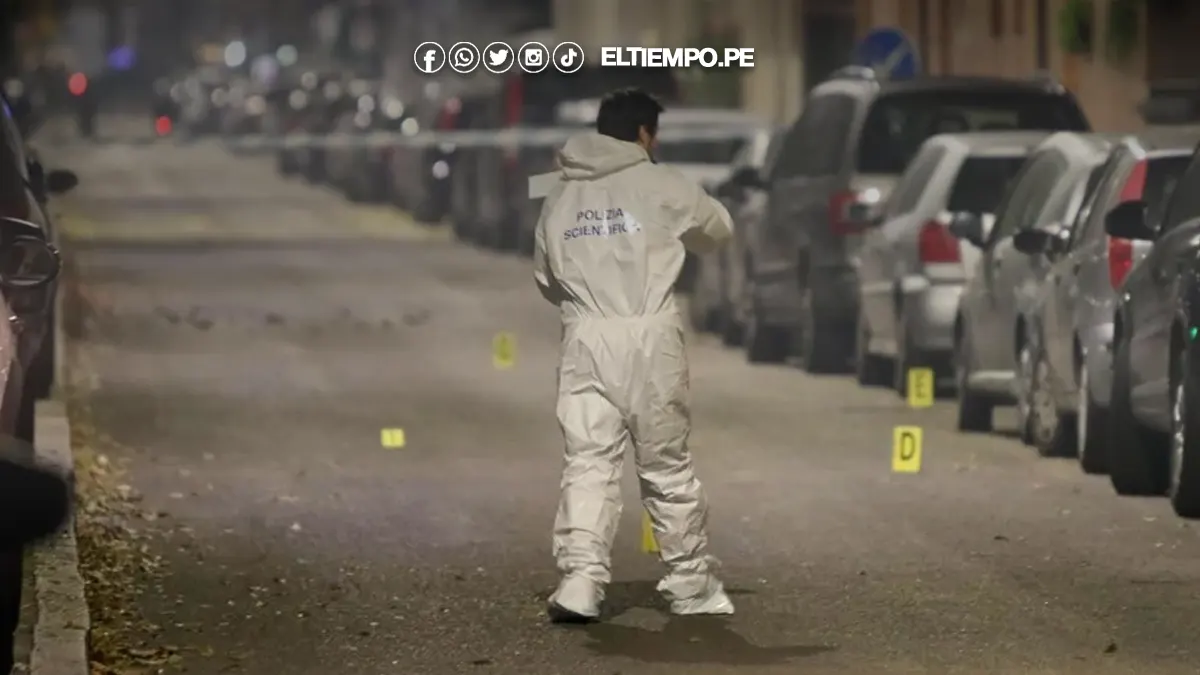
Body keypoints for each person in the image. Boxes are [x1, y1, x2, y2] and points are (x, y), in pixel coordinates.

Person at [533, 88, 735, 622]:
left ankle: (580, 582)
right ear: (646, 134)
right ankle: (690, 582)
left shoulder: (559, 194)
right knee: (665, 464)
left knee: (589, 461)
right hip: (650, 336)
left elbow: (546, 279)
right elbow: (719, 231)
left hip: (586, 337)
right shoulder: (663, 183)